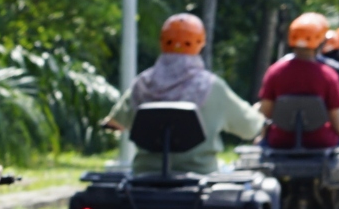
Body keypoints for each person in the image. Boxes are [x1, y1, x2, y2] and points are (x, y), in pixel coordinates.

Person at [100, 12, 263, 170]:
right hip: (200, 176)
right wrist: (258, 115)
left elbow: (115, 123)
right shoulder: (213, 86)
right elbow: (250, 128)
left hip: (145, 175)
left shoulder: (142, 83)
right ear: (200, 43)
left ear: (162, 42)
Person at [259, 12, 339, 147]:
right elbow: (335, 117)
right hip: (320, 141)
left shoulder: (274, 72)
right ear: (321, 41)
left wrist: (261, 136)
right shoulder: (329, 75)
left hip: (280, 141)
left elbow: (266, 111)